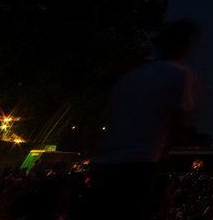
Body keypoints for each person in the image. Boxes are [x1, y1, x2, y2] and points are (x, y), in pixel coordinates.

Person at [75, 19, 199, 220]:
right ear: (185, 44)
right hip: (137, 163)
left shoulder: (131, 76)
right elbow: (177, 121)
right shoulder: (180, 75)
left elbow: (99, 119)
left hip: (104, 162)